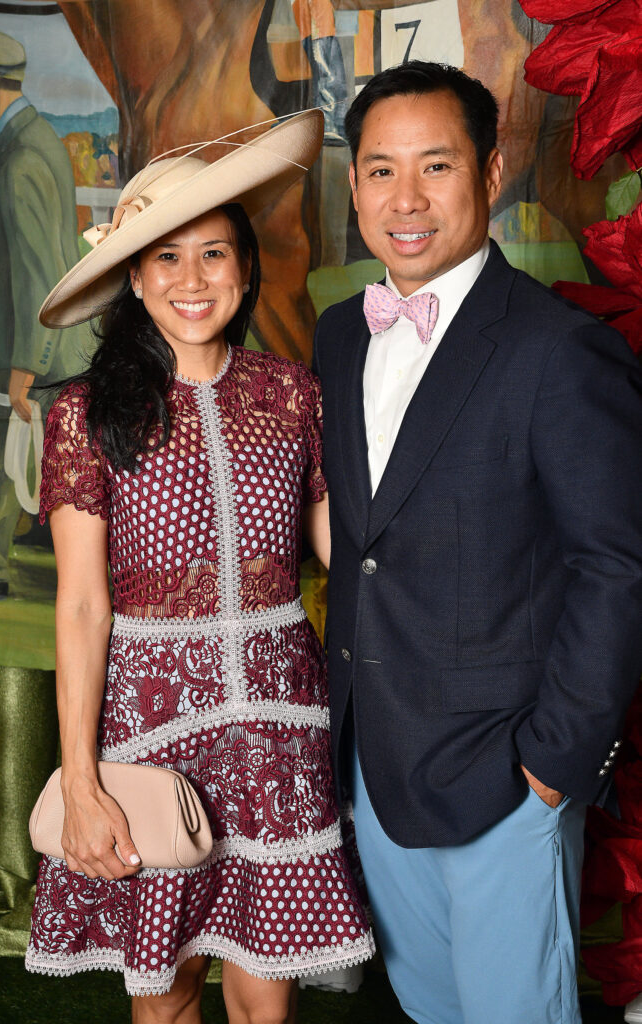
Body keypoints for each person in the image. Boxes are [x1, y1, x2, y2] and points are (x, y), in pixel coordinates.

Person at [24, 110, 374, 1023]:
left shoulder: (293, 395)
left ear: (247, 269)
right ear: (133, 279)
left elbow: (343, 550)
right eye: (167, 258)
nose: (192, 279)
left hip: (279, 732)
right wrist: (81, 781)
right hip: (148, 728)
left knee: (266, 994)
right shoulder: (87, 413)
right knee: (166, 990)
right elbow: (81, 607)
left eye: (214, 255)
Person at [312, 60, 642, 1024]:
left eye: (436, 166)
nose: (404, 200)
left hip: (505, 769)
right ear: (354, 185)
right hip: (374, 756)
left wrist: (553, 764)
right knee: (427, 1005)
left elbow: (616, 566)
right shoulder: (338, 335)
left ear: (490, 172)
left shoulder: (558, 349)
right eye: (379, 170)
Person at [0, 25, 91, 600]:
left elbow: (41, 272)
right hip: (35, 344)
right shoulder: (19, 144)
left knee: (31, 459)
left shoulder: (22, 158)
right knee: (1, 452)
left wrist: (25, 365)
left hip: (40, 348)